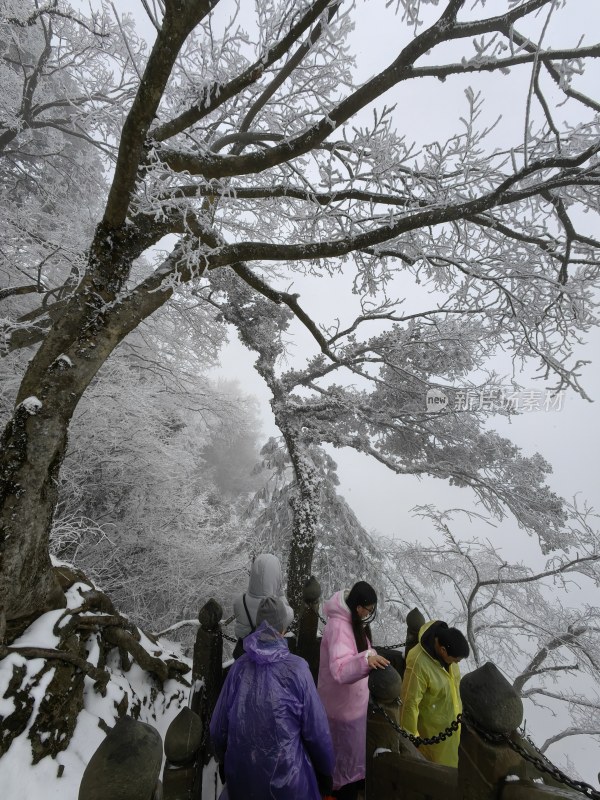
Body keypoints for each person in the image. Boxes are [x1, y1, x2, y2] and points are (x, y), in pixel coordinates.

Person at [210, 596, 334, 800]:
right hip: (289, 784)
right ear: (283, 629)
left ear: (258, 626)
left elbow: (217, 728)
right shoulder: (298, 669)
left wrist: (224, 761)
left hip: (243, 781)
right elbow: (317, 730)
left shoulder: (239, 667)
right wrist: (325, 769)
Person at [318, 581, 390, 800]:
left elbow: (362, 650)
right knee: (340, 768)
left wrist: (370, 656)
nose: (369, 614)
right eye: (368, 609)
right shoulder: (339, 626)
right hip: (340, 710)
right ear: (359, 607)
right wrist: (368, 660)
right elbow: (340, 669)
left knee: (348, 764)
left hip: (350, 707)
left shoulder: (352, 621)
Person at [399, 620, 469, 767]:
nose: (457, 664)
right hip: (431, 734)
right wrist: (411, 739)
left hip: (452, 726)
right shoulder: (419, 662)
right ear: (443, 650)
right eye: (455, 660)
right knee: (438, 774)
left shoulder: (449, 658)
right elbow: (409, 702)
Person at [231, 553, 294, 659]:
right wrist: (280, 593)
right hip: (267, 658)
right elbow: (290, 614)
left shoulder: (239, 601)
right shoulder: (277, 608)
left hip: (245, 655)